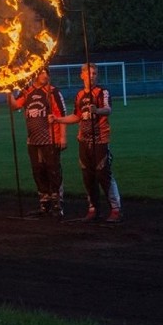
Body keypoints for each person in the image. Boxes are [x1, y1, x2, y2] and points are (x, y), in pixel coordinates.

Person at [51, 63, 123, 223]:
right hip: (83, 140)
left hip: (100, 140)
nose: (92, 76)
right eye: (89, 73)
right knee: (87, 176)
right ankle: (93, 208)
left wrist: (97, 110)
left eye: (94, 73)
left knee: (103, 174)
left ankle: (116, 209)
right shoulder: (79, 95)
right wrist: (58, 119)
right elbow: (76, 116)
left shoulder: (102, 92)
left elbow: (108, 109)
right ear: (82, 75)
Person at [9, 68, 67, 218]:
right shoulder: (27, 91)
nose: (45, 76)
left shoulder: (53, 92)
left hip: (50, 138)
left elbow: (61, 115)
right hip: (33, 140)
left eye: (46, 73)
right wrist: (8, 91)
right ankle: (44, 202)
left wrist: (62, 137)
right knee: (38, 170)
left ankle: (57, 203)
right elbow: (15, 106)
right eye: (41, 73)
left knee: (53, 170)